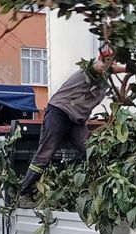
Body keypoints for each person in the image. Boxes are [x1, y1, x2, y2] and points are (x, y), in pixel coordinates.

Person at [19, 59, 126, 208]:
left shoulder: (104, 86)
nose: (113, 66)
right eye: (111, 63)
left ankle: (98, 192)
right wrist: (128, 68)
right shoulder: (88, 71)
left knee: (92, 151)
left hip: (77, 121)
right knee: (46, 153)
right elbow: (99, 67)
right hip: (59, 112)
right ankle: (25, 193)